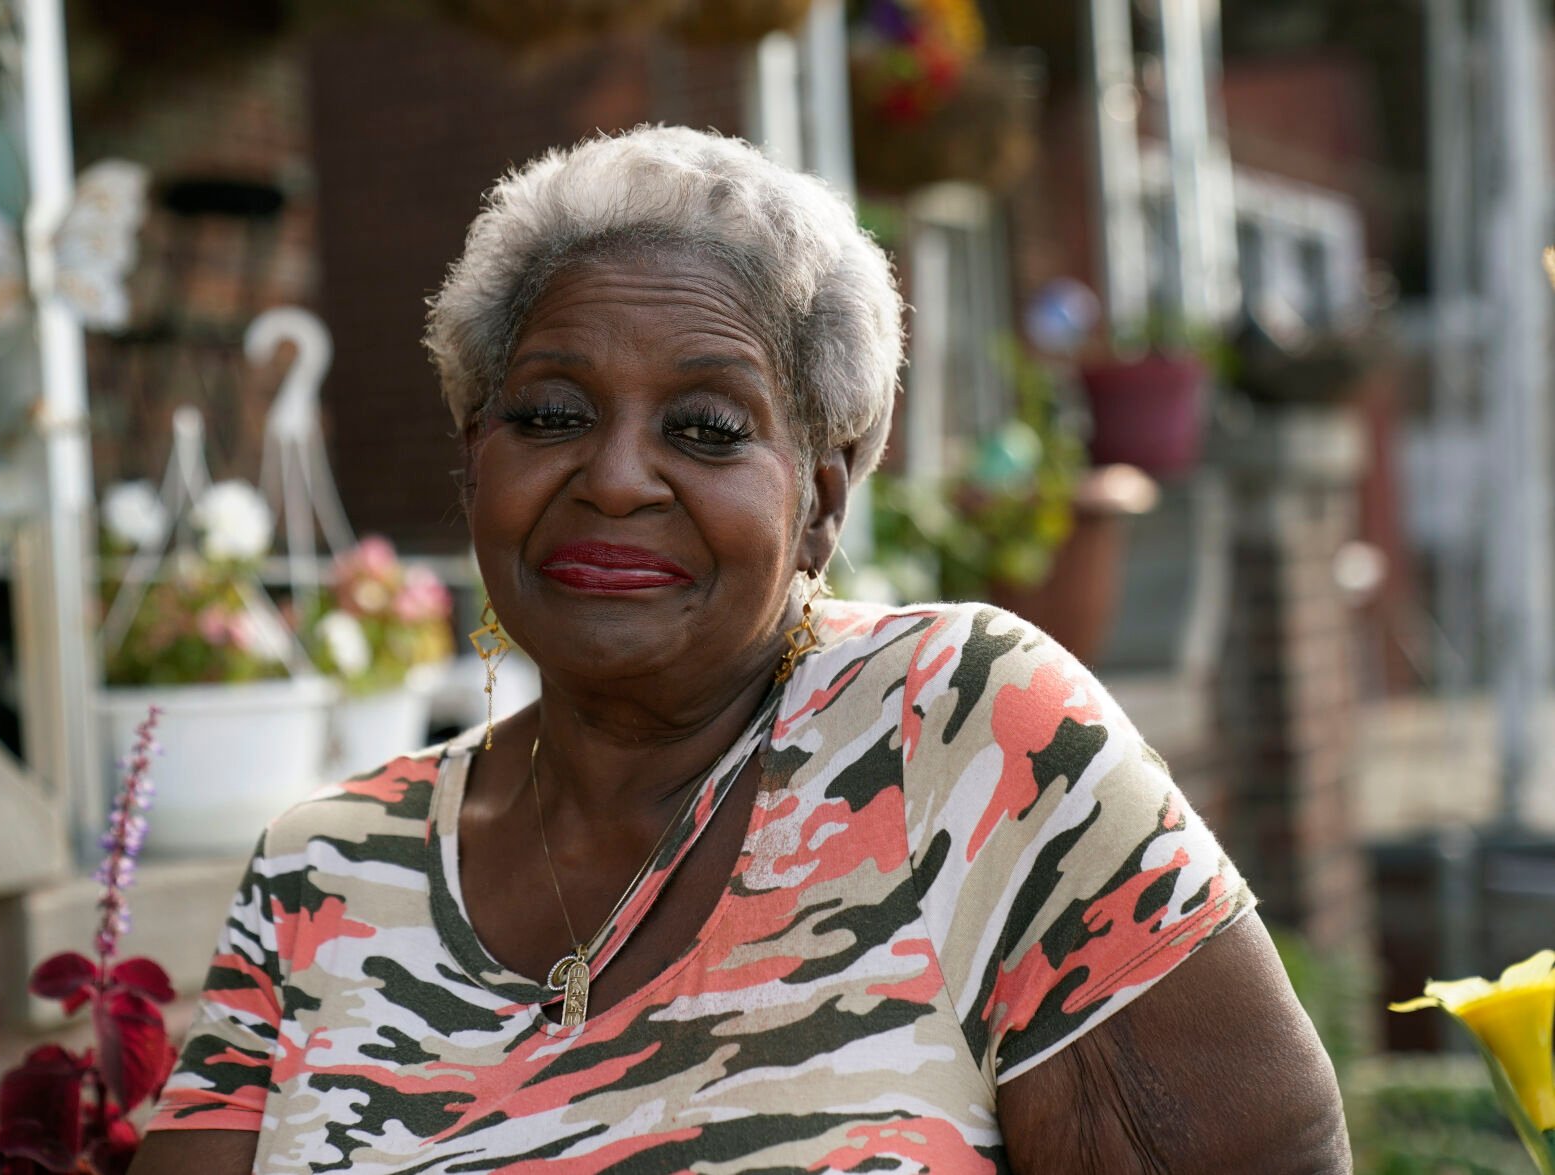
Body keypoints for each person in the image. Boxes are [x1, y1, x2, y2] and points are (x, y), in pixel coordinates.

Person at [132, 125, 1350, 1174]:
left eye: (706, 428)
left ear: (819, 502)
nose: (612, 477)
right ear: (473, 460)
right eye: (549, 414)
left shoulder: (965, 736)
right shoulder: (322, 869)